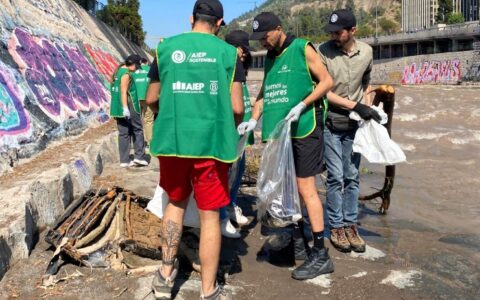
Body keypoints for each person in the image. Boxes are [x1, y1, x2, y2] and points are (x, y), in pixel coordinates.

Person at [145, 0, 244, 299]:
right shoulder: (229, 54)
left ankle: (165, 276)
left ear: (191, 18)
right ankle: (208, 289)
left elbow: (151, 99)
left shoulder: (164, 49)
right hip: (212, 146)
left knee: (174, 205)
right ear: (219, 24)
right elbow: (238, 107)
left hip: (174, 145)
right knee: (210, 216)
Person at [244, 12, 334, 280]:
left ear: (279, 29)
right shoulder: (271, 58)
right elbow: (263, 95)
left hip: (305, 127)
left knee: (306, 188)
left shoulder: (301, 47)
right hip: (281, 134)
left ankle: (320, 255)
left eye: (266, 36)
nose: (263, 43)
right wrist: (252, 120)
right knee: (286, 190)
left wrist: (303, 105)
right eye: (259, 39)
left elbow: (328, 81)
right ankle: (297, 243)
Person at [318, 9, 381, 253]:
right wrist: (354, 106)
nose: (334, 35)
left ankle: (350, 224)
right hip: (332, 122)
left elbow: (366, 83)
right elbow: (325, 91)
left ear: (353, 30)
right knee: (335, 177)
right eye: (331, 32)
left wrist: (366, 108)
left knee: (352, 177)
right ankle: (336, 226)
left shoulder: (366, 52)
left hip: (355, 125)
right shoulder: (323, 52)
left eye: (338, 31)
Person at [219, 30, 253, 239]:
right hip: (228, 133)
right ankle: (221, 216)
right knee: (224, 176)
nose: (243, 55)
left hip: (242, 133)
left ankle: (231, 205)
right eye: (241, 50)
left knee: (237, 173)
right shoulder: (225, 67)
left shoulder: (241, 68)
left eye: (245, 51)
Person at [109, 55, 148, 167]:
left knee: (123, 133)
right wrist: (125, 108)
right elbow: (123, 91)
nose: (137, 69)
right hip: (129, 104)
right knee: (138, 129)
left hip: (117, 106)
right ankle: (139, 157)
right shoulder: (126, 74)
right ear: (133, 64)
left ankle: (124, 160)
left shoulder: (118, 71)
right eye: (137, 67)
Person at [131, 57, 154, 149]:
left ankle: (136, 142)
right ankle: (149, 144)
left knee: (136, 120)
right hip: (148, 98)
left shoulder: (134, 72)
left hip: (135, 99)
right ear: (147, 62)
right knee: (148, 121)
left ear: (140, 63)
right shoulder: (151, 70)